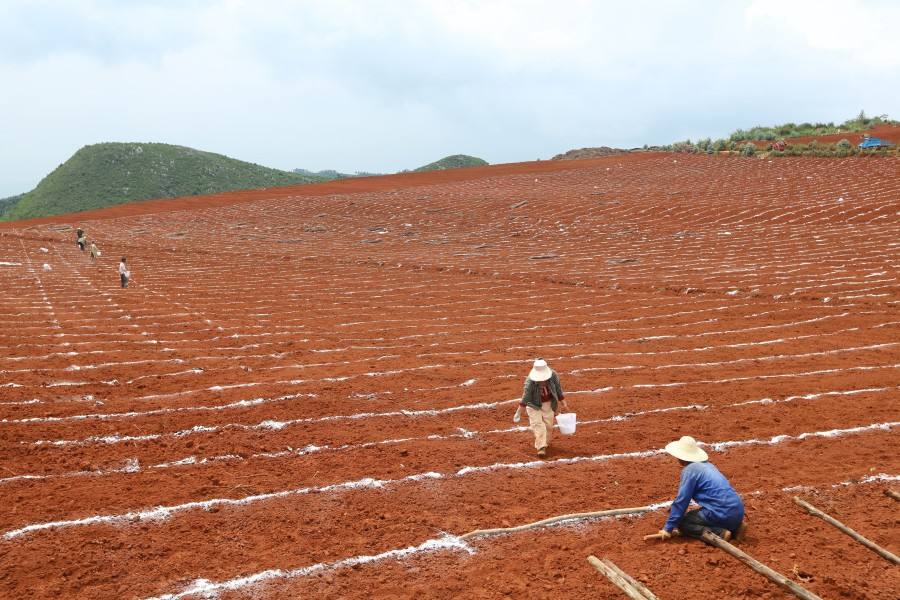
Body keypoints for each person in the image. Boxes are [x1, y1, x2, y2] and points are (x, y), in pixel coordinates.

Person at [657, 436, 746, 543]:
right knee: (706, 514)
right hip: (737, 512)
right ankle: (736, 528)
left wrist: (668, 528)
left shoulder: (690, 470)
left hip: (721, 513)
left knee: (684, 522)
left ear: (681, 457)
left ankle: (720, 533)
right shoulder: (709, 466)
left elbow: (683, 500)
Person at [514, 358, 569, 457]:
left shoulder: (553, 375)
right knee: (539, 425)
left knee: (548, 426)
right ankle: (541, 447)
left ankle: (544, 443)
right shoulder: (530, 382)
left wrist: (564, 403)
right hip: (533, 405)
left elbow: (558, 389)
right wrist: (518, 412)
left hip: (548, 403)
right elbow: (525, 397)